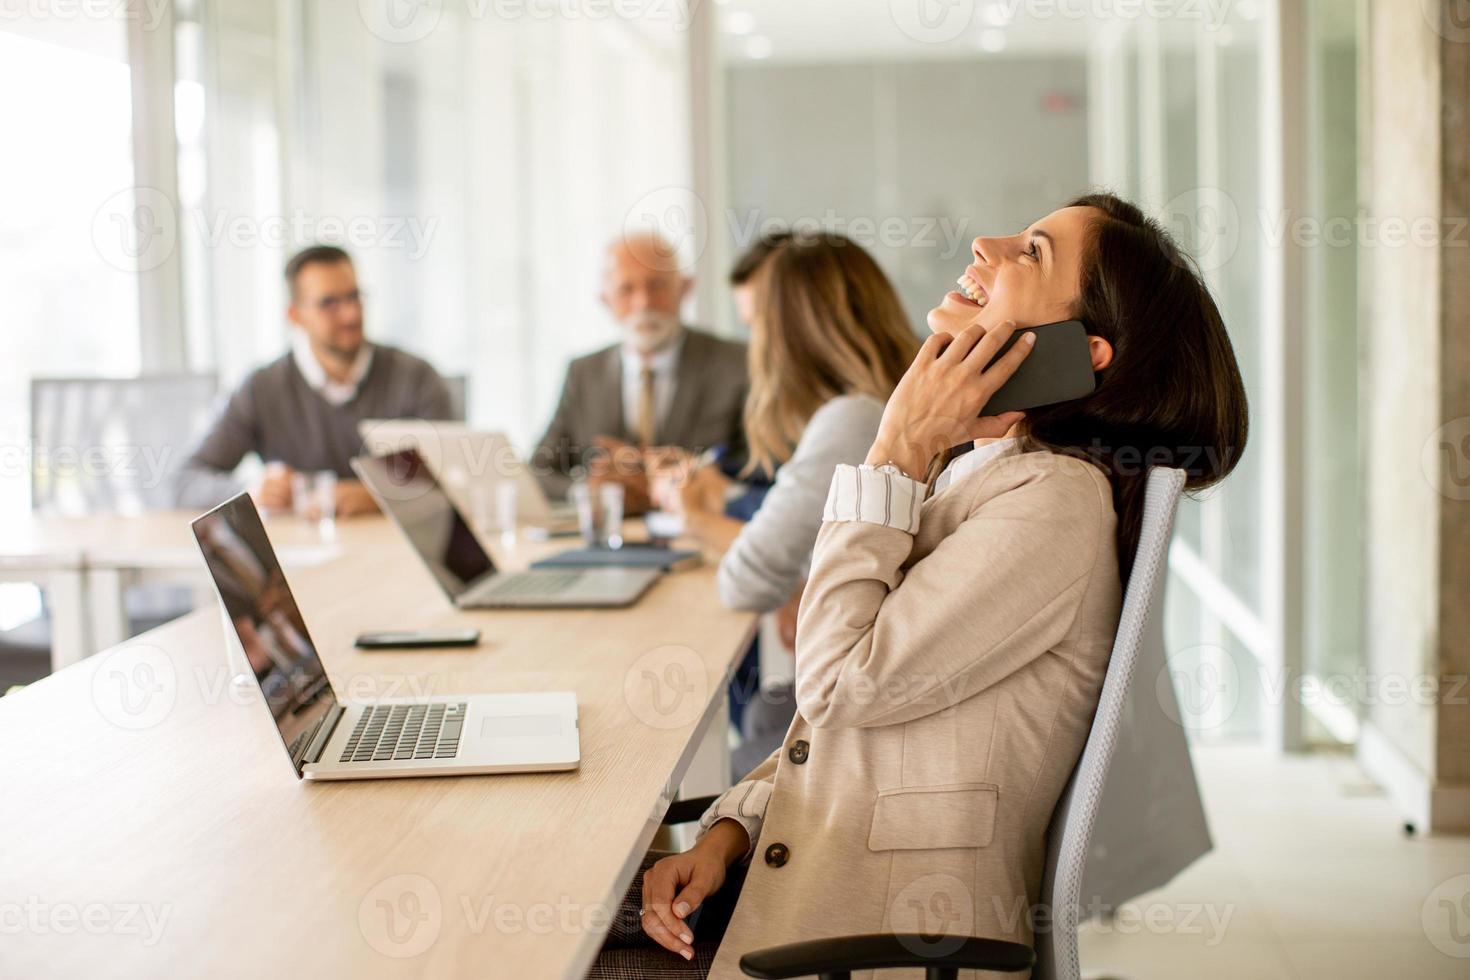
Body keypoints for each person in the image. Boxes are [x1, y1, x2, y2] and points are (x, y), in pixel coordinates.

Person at [589, 192, 1249, 977]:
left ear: (1081, 350)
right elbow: (843, 738)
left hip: (845, 944)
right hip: (796, 888)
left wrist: (897, 445)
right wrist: (730, 830)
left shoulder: (1053, 507)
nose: (986, 244)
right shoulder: (990, 471)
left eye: (1032, 252)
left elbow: (834, 685)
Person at [650, 232, 917, 771]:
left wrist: (697, 517)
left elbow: (747, 578)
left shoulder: (853, 419)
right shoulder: (885, 405)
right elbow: (820, 540)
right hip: (864, 696)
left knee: (662, 759)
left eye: (758, 330)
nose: (754, 351)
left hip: (853, 724)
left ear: (793, 335)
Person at [174, 245, 453, 514]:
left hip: (390, 553)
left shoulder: (415, 377)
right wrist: (249, 489)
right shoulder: (261, 388)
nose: (350, 314)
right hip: (301, 553)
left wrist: (375, 493)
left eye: (354, 296)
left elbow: (453, 476)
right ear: (296, 316)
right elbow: (185, 482)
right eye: (329, 303)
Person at [530, 233, 748, 510]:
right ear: (605, 299)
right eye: (626, 290)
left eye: (657, 286)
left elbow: (761, 473)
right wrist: (592, 492)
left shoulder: (736, 364)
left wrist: (678, 477)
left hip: (705, 538)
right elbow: (539, 471)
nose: (643, 303)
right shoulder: (583, 373)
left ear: (685, 288)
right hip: (606, 542)